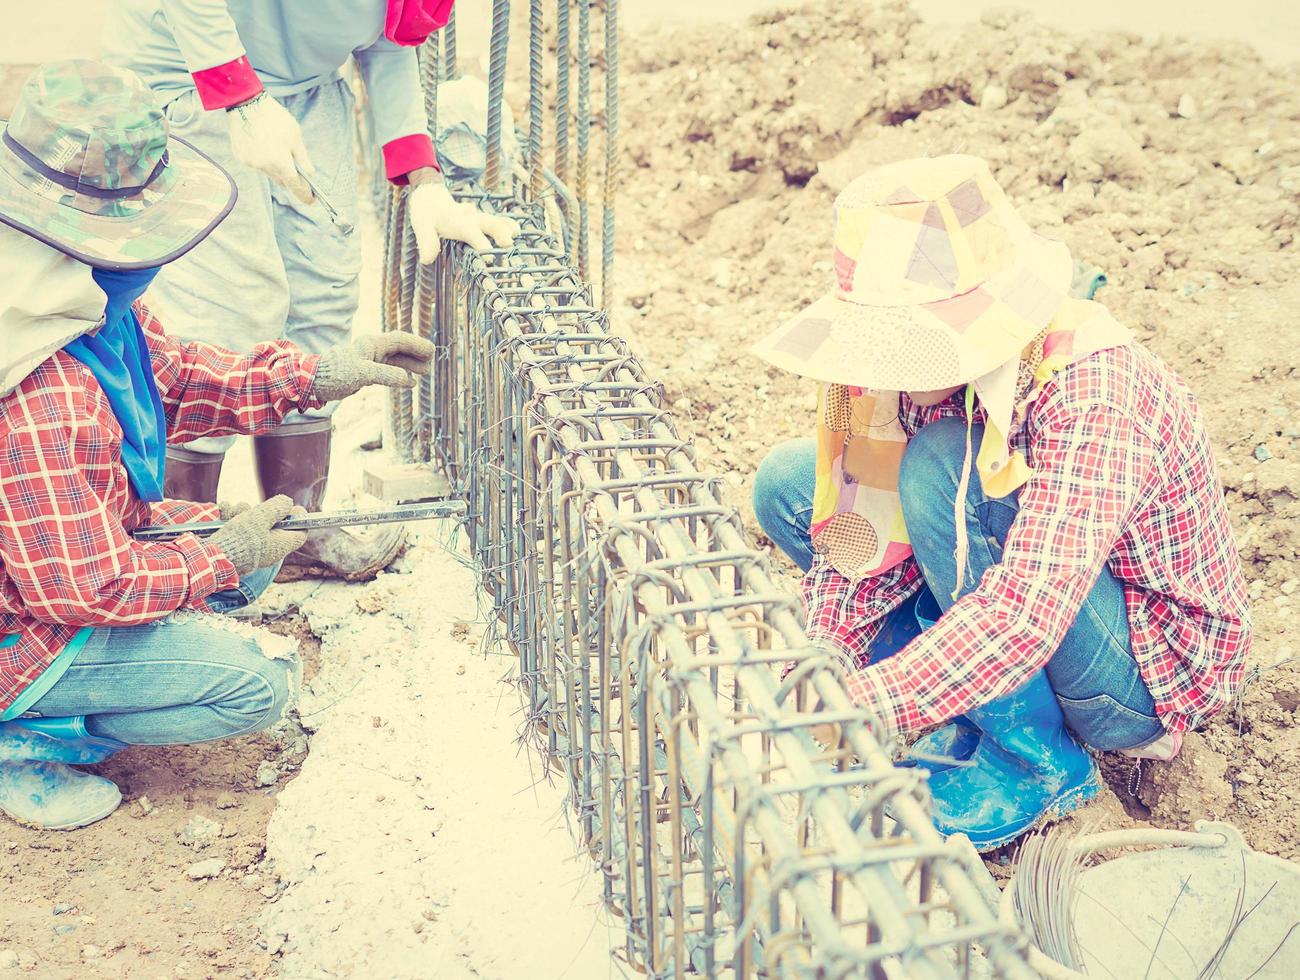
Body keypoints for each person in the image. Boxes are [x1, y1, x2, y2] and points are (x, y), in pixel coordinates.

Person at [750, 156, 1251, 851]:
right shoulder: (919, 375)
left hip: (1139, 672)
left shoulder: (1094, 394)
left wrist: (867, 706)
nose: (886, 361)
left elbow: (1025, 612)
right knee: (790, 483)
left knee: (940, 470)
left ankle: (1036, 764)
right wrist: (817, 660)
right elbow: (864, 517)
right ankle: (953, 687)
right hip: (1026, 592)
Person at [0, 61, 437, 830]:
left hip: (60, 570)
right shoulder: (39, 385)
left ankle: (105, 676)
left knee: (257, 549)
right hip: (27, 625)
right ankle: (21, 737)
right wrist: (217, 557)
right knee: (254, 687)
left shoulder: (64, 295)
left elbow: (176, 376)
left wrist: (315, 374)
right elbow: (83, 591)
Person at [102, 0, 518, 580]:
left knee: (322, 296)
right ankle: (185, 550)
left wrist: (424, 180)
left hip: (310, 88)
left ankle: (295, 532)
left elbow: (389, 39)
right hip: (190, 78)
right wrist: (243, 101)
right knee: (228, 310)